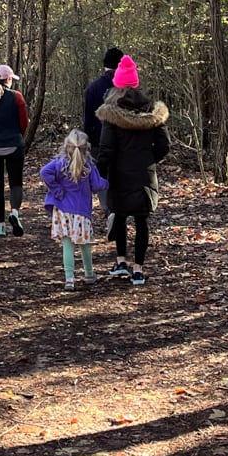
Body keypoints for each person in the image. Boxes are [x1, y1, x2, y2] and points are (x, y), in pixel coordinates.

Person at [96, 55, 170, 286]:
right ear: (136, 84)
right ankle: (138, 269)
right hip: (144, 174)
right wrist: (149, 159)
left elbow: (106, 149)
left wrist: (99, 173)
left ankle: (120, 262)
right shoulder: (152, 112)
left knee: (118, 215)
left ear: (117, 84)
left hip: (119, 174)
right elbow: (164, 145)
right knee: (141, 221)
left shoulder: (111, 113)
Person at [40, 129, 108, 291]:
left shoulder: (59, 163)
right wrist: (109, 183)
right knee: (84, 245)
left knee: (67, 245)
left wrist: (57, 190)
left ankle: (69, 278)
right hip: (82, 212)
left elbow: (44, 172)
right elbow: (98, 185)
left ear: (66, 146)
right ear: (86, 148)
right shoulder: (89, 166)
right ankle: (89, 275)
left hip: (63, 211)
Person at [0, 64, 29, 237]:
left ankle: (0, 226)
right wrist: (19, 136)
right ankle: (15, 213)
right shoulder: (16, 96)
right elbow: (24, 122)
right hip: (14, 144)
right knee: (16, 183)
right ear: (8, 79)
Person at [83, 46, 123, 216]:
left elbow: (88, 119)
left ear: (104, 65)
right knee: (120, 175)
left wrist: (88, 141)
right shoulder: (127, 87)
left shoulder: (93, 88)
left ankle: (108, 210)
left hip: (99, 141)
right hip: (123, 141)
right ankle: (119, 210)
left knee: (102, 175)